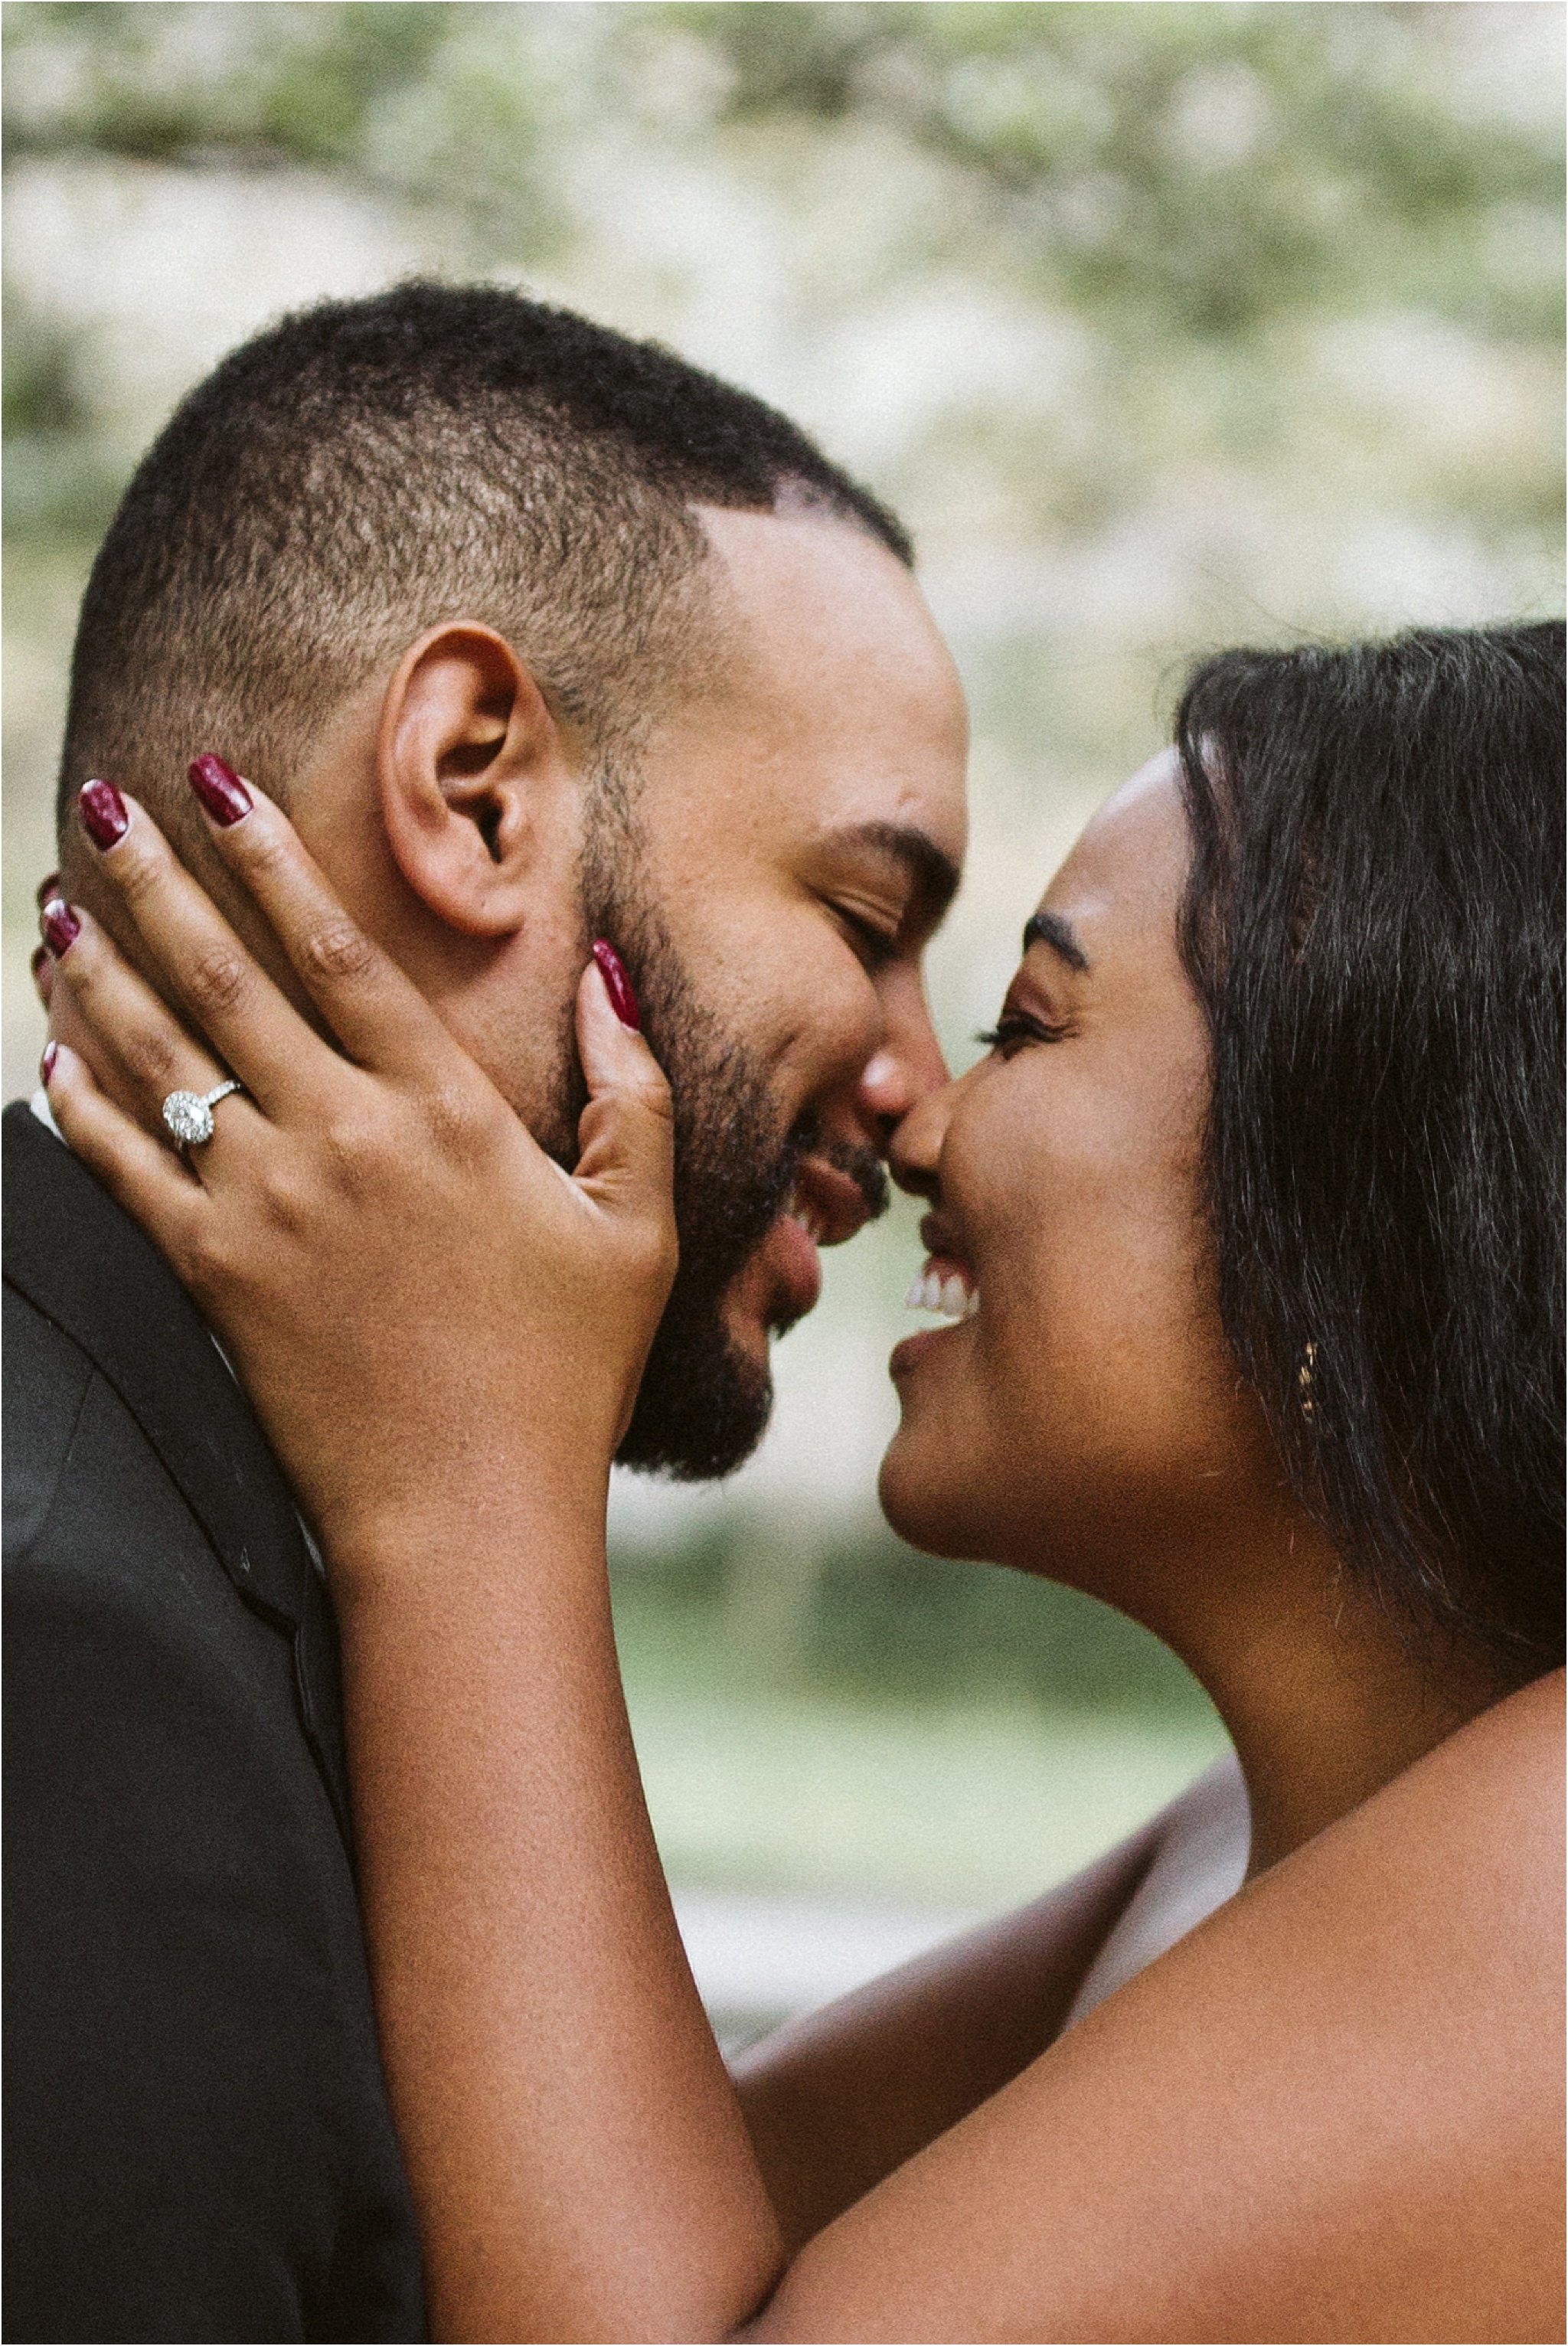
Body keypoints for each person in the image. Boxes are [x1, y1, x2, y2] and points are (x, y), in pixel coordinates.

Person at [39, 621, 1565, 2341]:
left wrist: (470, 1478)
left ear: (1372, 1174)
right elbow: (593, 2221)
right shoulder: (1241, 1841)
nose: (920, 1129)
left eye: (1031, 1022)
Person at [3, 282, 969, 2343]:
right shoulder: (49, 1660)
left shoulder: (253, 1546)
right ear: (472, 788)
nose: (918, 1088)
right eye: (869, 922)